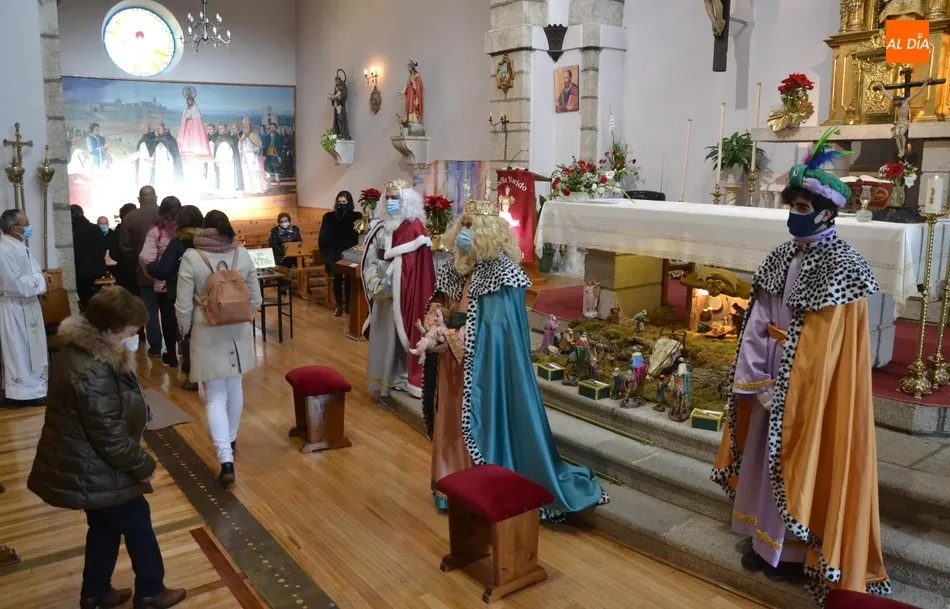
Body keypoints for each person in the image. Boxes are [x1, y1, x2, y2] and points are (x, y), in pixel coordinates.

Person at [711, 128, 888, 604]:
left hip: (814, 391)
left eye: (803, 209)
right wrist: (757, 378)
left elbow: (827, 348)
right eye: (792, 206)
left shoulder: (845, 268)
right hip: (771, 377)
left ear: (829, 213)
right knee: (766, 463)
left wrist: (790, 386)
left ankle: (794, 555)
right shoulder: (781, 255)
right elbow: (760, 317)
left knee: (801, 463)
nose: (794, 215)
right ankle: (762, 544)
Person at [422, 203, 607, 520]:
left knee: (474, 425)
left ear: (488, 234)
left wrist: (449, 338)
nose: (463, 235)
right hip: (452, 364)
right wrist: (435, 317)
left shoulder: (505, 276)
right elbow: (443, 300)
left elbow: (495, 332)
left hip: (482, 371)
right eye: (462, 227)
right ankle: (452, 485)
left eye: (470, 228)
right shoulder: (460, 267)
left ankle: (480, 487)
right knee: (451, 425)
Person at [26, 287, 186, 609]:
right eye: (132, 329)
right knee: (138, 523)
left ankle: (96, 594)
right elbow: (108, 436)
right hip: (97, 466)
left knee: (103, 527)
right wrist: (142, 465)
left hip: (84, 462)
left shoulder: (77, 351)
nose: (136, 333)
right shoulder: (95, 368)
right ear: (112, 328)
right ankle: (151, 592)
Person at [176, 210, 262, 484]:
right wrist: (240, 314)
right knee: (235, 387)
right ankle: (232, 439)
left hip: (206, 329)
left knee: (214, 396)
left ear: (204, 229)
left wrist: (185, 331)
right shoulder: (242, 253)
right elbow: (256, 298)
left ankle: (225, 459)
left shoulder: (192, 257)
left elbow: (183, 305)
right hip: (237, 330)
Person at [360, 179, 435, 398]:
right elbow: (371, 254)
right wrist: (375, 281)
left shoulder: (414, 229)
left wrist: (389, 283)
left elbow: (410, 264)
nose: (392, 202)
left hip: (403, 291)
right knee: (383, 333)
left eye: (396, 198)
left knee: (401, 331)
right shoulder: (380, 226)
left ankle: (401, 376)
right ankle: (384, 378)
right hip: (381, 291)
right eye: (389, 198)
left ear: (407, 201)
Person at [146, 205, 203, 391]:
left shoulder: (178, 243)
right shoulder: (207, 241)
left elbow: (163, 271)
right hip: (207, 295)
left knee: (186, 334)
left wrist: (150, 266)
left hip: (182, 293)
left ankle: (190, 376)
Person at [0, 209, 50, 406]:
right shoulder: (4, 250)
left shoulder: (19, 245)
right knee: (19, 349)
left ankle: (36, 390)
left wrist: (41, 277)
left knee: (33, 348)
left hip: (29, 305)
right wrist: (41, 279)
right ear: (14, 228)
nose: (29, 227)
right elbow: (14, 284)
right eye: (26, 223)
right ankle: (20, 394)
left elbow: (33, 272)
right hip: (14, 308)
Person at [139, 197, 182, 367]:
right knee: (182, 318)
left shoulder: (155, 232)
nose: (172, 222)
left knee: (168, 318)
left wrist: (151, 274)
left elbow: (145, 257)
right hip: (186, 283)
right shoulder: (185, 230)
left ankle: (171, 353)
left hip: (164, 284)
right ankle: (182, 350)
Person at [121, 187, 162, 357]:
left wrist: (138, 259)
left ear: (139, 199)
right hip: (171, 273)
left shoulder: (130, 218)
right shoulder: (168, 215)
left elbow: (124, 247)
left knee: (150, 311)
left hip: (144, 273)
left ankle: (156, 347)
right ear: (156, 197)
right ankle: (176, 342)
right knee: (172, 309)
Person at [318, 191, 361, 316]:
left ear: (349, 203)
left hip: (350, 253)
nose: (341, 204)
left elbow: (360, 234)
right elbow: (324, 235)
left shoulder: (356, 216)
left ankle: (348, 303)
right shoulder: (329, 217)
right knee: (337, 279)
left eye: (344, 202)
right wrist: (328, 253)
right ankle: (339, 304)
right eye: (339, 202)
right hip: (335, 252)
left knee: (349, 279)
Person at [71, 205, 107, 310]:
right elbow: (102, 249)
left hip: (80, 271)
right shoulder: (95, 228)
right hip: (96, 269)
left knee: (85, 297)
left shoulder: (72, 231)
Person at [110, 203, 139, 295]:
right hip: (138, 270)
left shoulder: (117, 232)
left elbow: (114, 253)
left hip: (123, 271)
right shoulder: (140, 229)